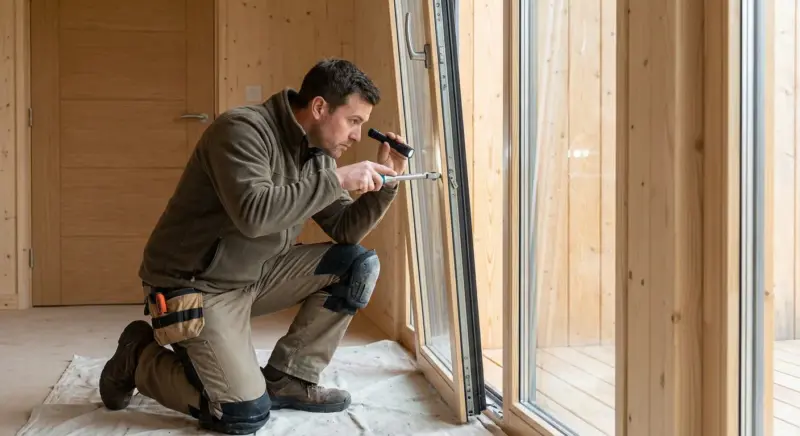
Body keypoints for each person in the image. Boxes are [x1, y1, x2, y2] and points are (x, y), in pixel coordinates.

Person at [97, 58, 409, 435]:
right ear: (319, 107)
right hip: (196, 285)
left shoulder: (316, 153)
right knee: (242, 414)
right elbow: (254, 214)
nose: (357, 136)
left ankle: (290, 378)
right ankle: (138, 358)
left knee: (356, 265)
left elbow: (345, 229)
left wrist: (388, 181)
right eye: (353, 121)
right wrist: (338, 180)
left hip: (255, 273)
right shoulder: (241, 131)